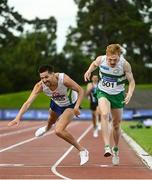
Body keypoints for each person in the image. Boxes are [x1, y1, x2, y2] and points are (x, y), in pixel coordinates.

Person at [8, 64, 89, 166]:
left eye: (46, 77)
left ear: (53, 75)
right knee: (51, 119)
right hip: (56, 103)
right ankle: (46, 128)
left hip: (71, 104)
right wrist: (17, 117)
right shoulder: (40, 86)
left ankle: (82, 150)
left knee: (59, 130)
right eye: (42, 78)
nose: (44, 80)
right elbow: (28, 102)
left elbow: (80, 90)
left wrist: (77, 106)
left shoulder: (64, 80)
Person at [84, 44, 135, 165]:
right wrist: (89, 71)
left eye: (115, 59)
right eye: (110, 59)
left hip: (117, 96)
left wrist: (130, 93)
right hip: (103, 92)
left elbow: (132, 81)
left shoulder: (125, 64)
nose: (112, 62)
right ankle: (107, 146)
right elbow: (94, 64)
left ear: (119, 56)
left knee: (116, 125)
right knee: (105, 114)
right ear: (106, 56)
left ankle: (115, 148)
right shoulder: (100, 59)